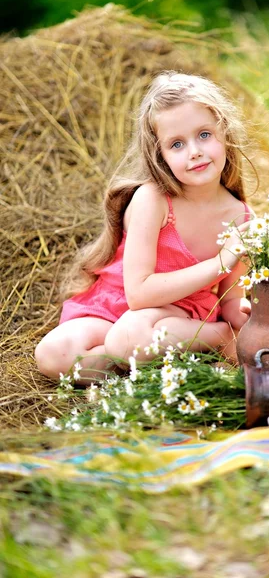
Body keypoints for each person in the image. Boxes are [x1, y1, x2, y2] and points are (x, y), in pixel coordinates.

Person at [35, 71, 255, 381]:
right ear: (160, 155)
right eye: (176, 144)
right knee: (53, 354)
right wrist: (220, 262)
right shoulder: (153, 200)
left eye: (204, 134)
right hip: (118, 306)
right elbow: (138, 294)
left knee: (127, 341)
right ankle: (170, 365)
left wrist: (241, 314)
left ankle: (216, 338)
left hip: (180, 316)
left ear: (225, 133)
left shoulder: (241, 217)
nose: (194, 151)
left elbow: (229, 297)